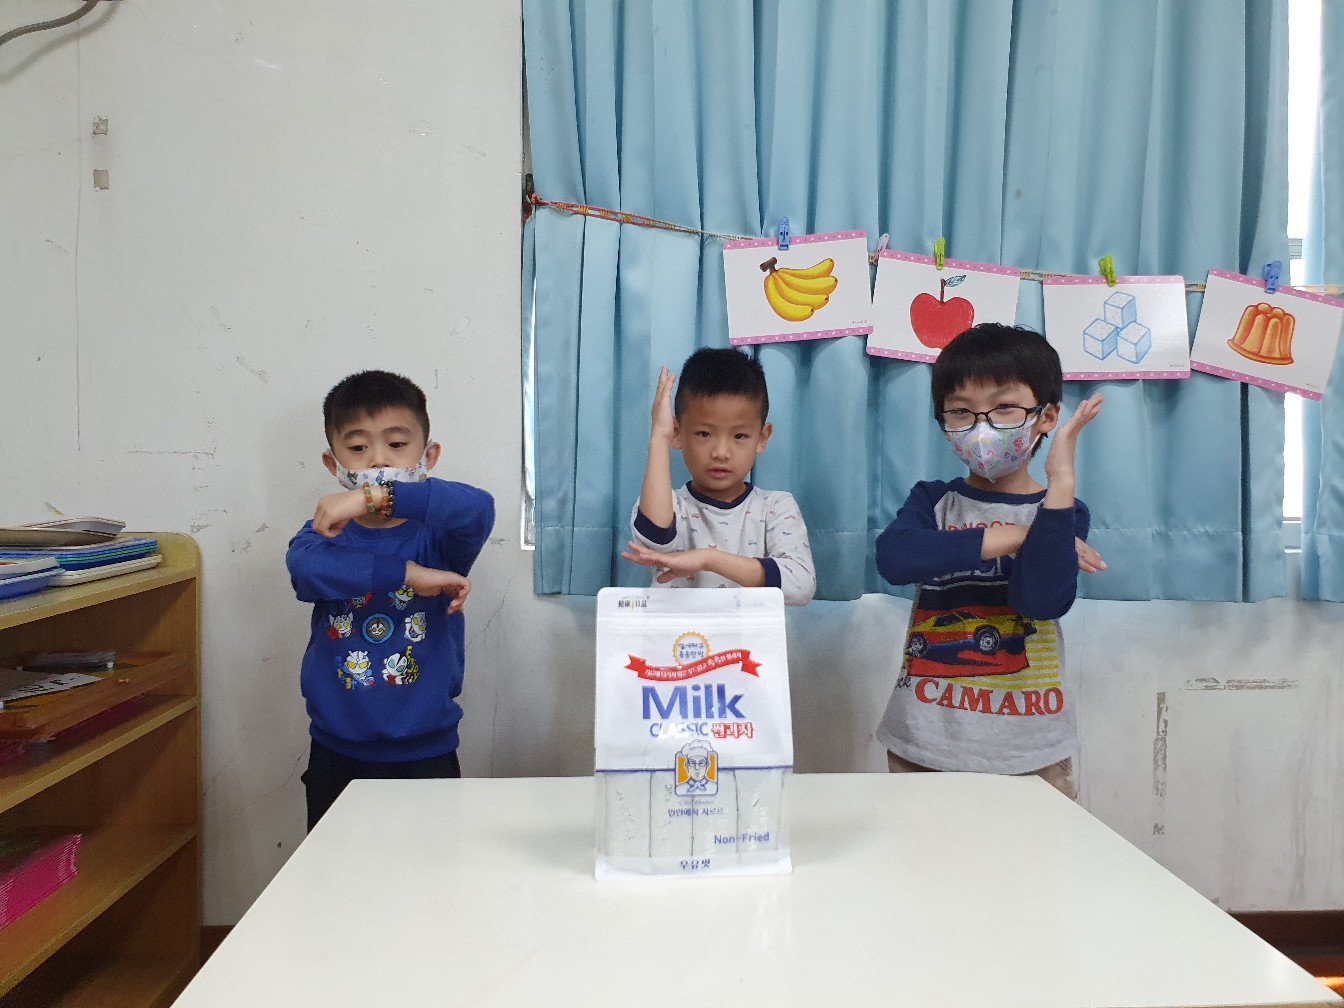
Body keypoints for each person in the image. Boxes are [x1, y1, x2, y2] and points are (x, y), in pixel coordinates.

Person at [874, 323, 1103, 799]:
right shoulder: (933, 500)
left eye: (1003, 408)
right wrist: (1018, 536)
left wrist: (1060, 482)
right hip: (923, 744)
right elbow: (895, 558)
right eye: (961, 411)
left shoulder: (1063, 514)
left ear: (1046, 415)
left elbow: (1041, 601)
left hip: (1031, 753)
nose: (982, 428)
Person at [286, 370, 495, 830]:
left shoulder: (441, 538)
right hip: (336, 751)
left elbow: (478, 507)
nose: (379, 459)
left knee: (431, 871)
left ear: (428, 456)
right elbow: (306, 569)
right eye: (359, 448)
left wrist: (375, 498)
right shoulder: (323, 537)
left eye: (397, 444)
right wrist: (408, 576)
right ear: (333, 464)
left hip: (426, 752)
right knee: (336, 871)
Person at [622, 346, 815, 605]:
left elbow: (801, 584)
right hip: (678, 632)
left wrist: (708, 559)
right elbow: (655, 542)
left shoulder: (776, 507)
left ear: (762, 438)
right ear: (677, 433)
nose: (721, 453)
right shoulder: (671, 506)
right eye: (704, 434)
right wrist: (659, 436)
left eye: (739, 436)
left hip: (749, 634)